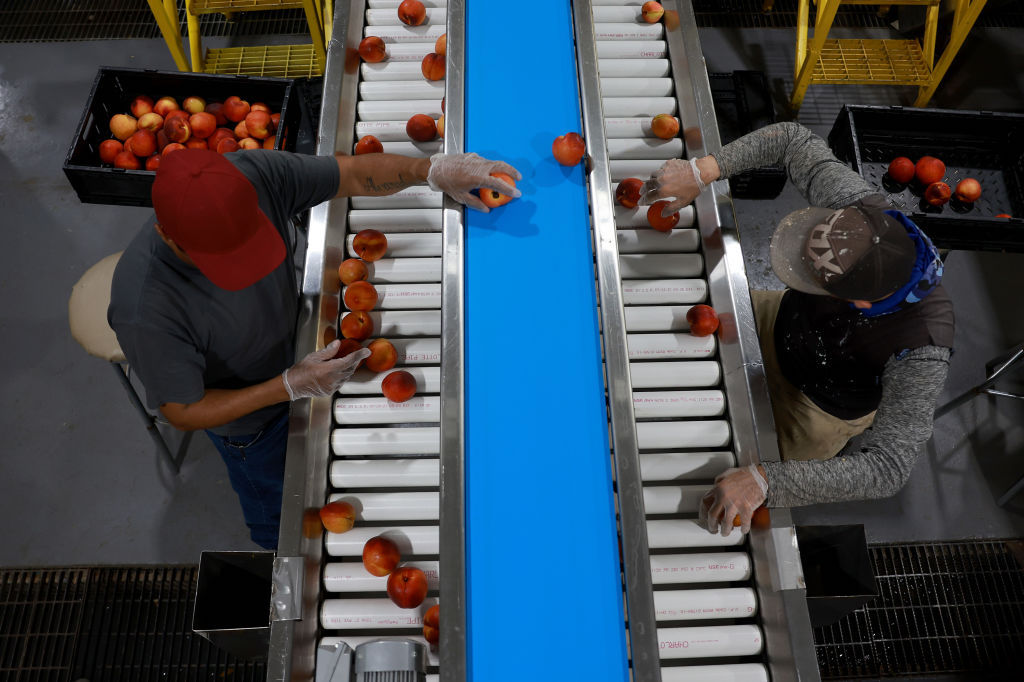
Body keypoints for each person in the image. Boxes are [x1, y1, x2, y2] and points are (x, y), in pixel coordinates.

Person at [108, 148, 520, 549]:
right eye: (223, 258)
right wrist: (287, 386)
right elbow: (183, 410)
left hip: (303, 349)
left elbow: (352, 174)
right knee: (281, 514)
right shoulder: (146, 308)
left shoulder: (247, 175)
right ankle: (274, 550)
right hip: (255, 423)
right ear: (165, 233)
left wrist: (428, 170)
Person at [641, 122, 954, 537]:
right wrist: (705, 169)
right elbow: (792, 140)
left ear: (860, 304)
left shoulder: (921, 346)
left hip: (814, 410)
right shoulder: (863, 214)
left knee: (710, 476)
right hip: (776, 322)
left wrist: (767, 480)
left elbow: (889, 469)